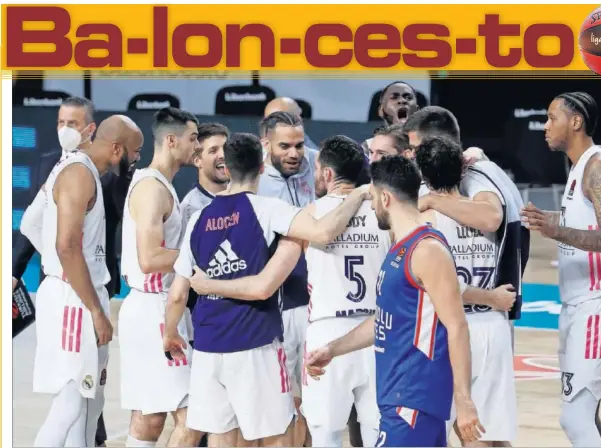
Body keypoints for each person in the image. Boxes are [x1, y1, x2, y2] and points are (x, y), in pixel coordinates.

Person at [161, 132, 371, 447]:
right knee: (279, 435)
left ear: (227, 169)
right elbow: (324, 231)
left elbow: (177, 294)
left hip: (207, 348)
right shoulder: (269, 210)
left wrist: (170, 333)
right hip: (254, 342)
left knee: (221, 436)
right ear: (262, 168)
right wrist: (358, 194)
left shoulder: (199, 219)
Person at [305, 155, 485, 447]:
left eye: (374, 197)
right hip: (397, 399)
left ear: (386, 198)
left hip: (414, 400)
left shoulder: (427, 250)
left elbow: (457, 327)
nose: (372, 204)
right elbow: (385, 318)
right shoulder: (399, 248)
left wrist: (464, 402)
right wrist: (333, 349)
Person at [17, 97, 139, 448]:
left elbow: (28, 223)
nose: (138, 159)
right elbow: (66, 246)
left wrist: (59, 267)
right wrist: (92, 305)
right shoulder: (79, 174)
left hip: (72, 290)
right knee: (71, 403)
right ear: (116, 149)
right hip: (76, 299)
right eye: (136, 151)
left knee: (89, 403)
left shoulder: (69, 167)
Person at [520, 92, 601, 448]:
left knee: (574, 418)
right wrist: (550, 221)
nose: (545, 126)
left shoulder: (600, 168)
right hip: (580, 305)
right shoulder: (578, 167)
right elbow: (585, 224)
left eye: (552, 117)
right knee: (586, 416)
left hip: (600, 305)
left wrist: (557, 230)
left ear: (576, 121)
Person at [415, 136, 518, 447]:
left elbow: (441, 286)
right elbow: (495, 217)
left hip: (449, 326)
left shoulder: (424, 215)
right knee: (492, 434)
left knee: (452, 430)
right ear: (462, 169)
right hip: (492, 325)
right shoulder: (486, 203)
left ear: (423, 174)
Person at [405, 106, 529, 345]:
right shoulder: (480, 170)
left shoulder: (476, 172)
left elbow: (491, 218)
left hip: (479, 312)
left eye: (416, 148)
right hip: (487, 314)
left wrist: (431, 200)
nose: (412, 155)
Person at [299, 135, 391, 447]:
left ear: (326, 173)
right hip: (379, 329)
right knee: (379, 431)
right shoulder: (385, 213)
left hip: (328, 328)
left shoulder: (310, 213)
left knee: (325, 434)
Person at [118, 107, 201, 447]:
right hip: (154, 311)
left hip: (146, 308)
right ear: (171, 140)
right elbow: (150, 258)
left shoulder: (160, 183)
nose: (196, 146)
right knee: (195, 414)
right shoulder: (152, 188)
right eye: (193, 138)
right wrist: (201, 261)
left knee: (149, 418)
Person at [258, 111, 318, 446]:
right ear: (265, 144)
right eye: (284, 146)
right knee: (278, 403)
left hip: (311, 304)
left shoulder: (312, 163)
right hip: (275, 305)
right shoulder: (254, 180)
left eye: (299, 144)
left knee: (309, 400)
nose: (294, 153)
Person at [178, 121, 231, 448]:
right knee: (201, 423)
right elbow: (183, 279)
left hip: (240, 330)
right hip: (203, 332)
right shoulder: (190, 209)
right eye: (213, 150)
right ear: (197, 159)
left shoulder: (248, 201)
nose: (222, 156)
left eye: (226, 149)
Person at [361, 82, 420, 158]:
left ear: (418, 110)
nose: (402, 101)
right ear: (381, 110)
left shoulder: (430, 149)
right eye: (394, 97)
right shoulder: (367, 149)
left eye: (408, 98)